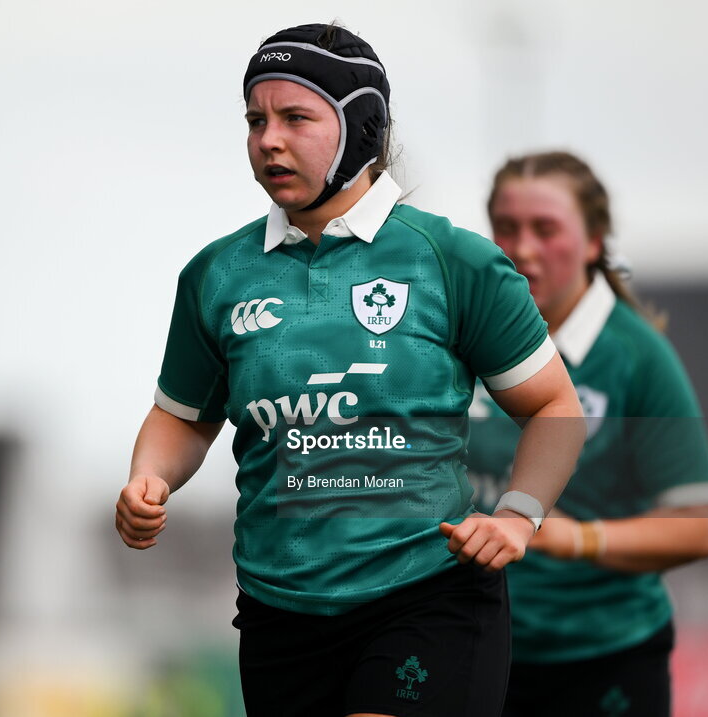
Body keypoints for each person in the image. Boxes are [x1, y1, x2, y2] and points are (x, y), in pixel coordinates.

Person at [115, 25, 585, 717]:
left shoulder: (454, 261)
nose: (267, 138)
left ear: (362, 127)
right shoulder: (217, 274)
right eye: (255, 120)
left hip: (428, 596)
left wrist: (518, 517)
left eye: (295, 118)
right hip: (279, 615)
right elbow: (182, 417)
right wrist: (148, 477)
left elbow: (555, 407)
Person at [467, 150, 708, 717]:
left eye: (546, 229)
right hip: (476, 648)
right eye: (506, 228)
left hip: (604, 659)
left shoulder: (636, 355)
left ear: (593, 242)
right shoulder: (466, 337)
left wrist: (578, 539)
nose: (524, 248)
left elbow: (699, 527)